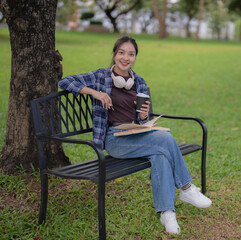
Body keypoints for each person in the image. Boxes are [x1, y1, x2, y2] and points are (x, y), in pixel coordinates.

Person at [58, 36, 212, 234]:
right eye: (121, 52)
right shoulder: (100, 77)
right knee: (165, 139)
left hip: (136, 135)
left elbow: (142, 118)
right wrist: (94, 93)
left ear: (135, 57)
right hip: (114, 139)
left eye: (131, 54)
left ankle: (167, 213)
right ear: (114, 54)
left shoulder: (139, 82)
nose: (125, 58)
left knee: (160, 154)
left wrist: (143, 115)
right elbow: (65, 82)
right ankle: (187, 188)